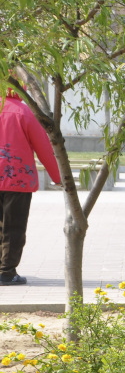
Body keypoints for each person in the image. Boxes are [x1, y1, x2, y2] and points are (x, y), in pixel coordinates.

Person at [0, 85, 62, 285]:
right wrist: (59, 177)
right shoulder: (24, 112)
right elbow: (44, 147)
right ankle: (6, 272)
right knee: (13, 227)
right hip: (17, 181)